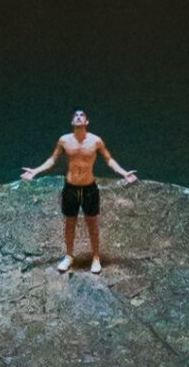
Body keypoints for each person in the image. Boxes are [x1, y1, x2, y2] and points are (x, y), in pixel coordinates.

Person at [21, 109, 137, 272]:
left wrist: (124, 173)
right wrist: (35, 171)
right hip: (71, 188)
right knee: (70, 223)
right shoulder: (64, 140)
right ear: (72, 122)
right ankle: (69, 256)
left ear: (86, 122)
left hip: (89, 187)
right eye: (75, 115)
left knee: (92, 223)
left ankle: (96, 257)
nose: (78, 117)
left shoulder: (96, 141)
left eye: (81, 115)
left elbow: (109, 160)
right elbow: (52, 160)